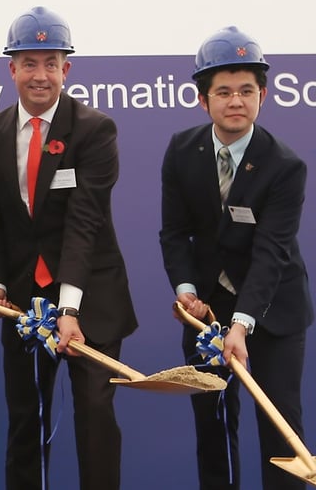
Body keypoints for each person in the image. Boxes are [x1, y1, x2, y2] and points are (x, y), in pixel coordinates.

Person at [0, 6, 138, 490]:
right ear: (12, 69)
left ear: (66, 70)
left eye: (51, 63)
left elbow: (85, 222)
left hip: (91, 300)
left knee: (93, 418)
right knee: (27, 422)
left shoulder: (95, 129)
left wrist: (69, 307)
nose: (40, 75)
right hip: (24, 303)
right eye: (29, 63)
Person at [160, 26, 313, 489]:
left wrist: (243, 325)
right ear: (203, 100)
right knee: (212, 427)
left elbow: (271, 253)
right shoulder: (181, 151)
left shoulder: (285, 166)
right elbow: (174, 234)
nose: (236, 101)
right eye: (223, 92)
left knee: (280, 430)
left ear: (263, 96)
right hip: (208, 310)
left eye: (247, 90)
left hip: (271, 311)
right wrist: (187, 295)